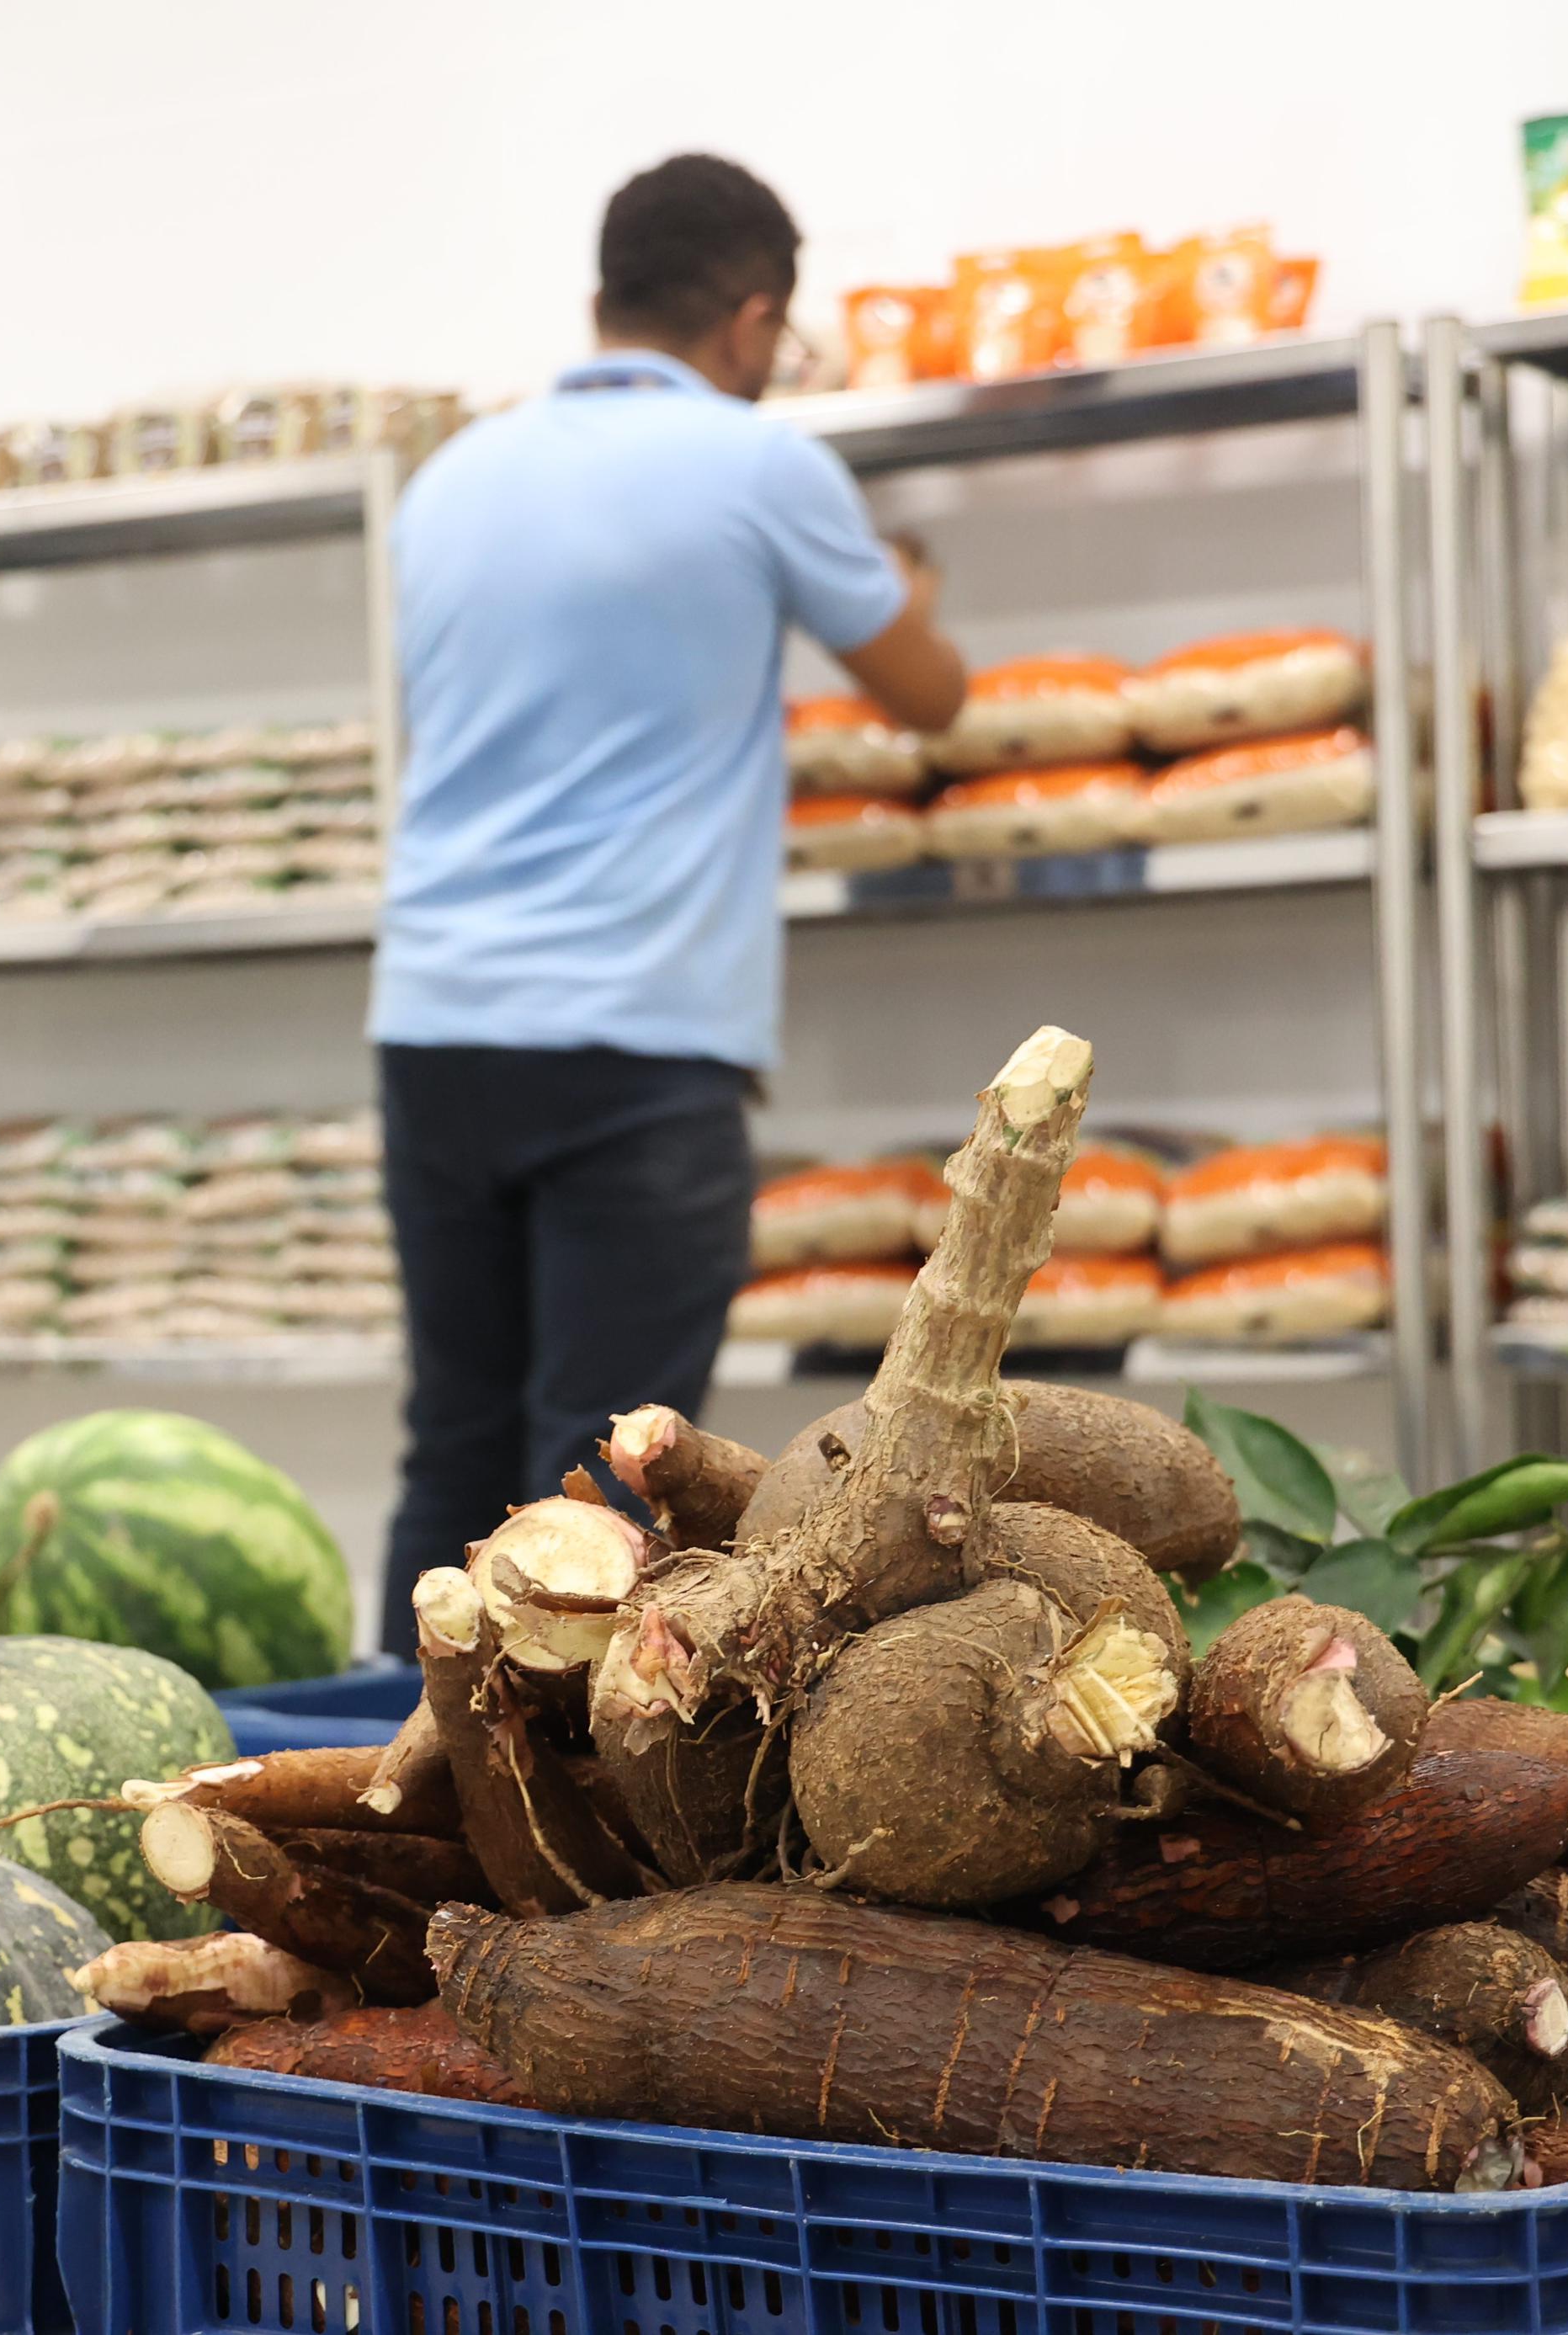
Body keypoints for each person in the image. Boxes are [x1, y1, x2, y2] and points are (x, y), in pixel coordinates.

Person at [365, 152, 970, 1644]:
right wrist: (900, 576)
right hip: (633, 1043)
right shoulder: (762, 466)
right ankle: (564, 1859)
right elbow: (931, 694)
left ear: (600, 300)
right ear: (756, 320)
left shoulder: (451, 477)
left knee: (452, 1441)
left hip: (435, 1025)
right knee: (608, 1466)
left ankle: (387, 1799)